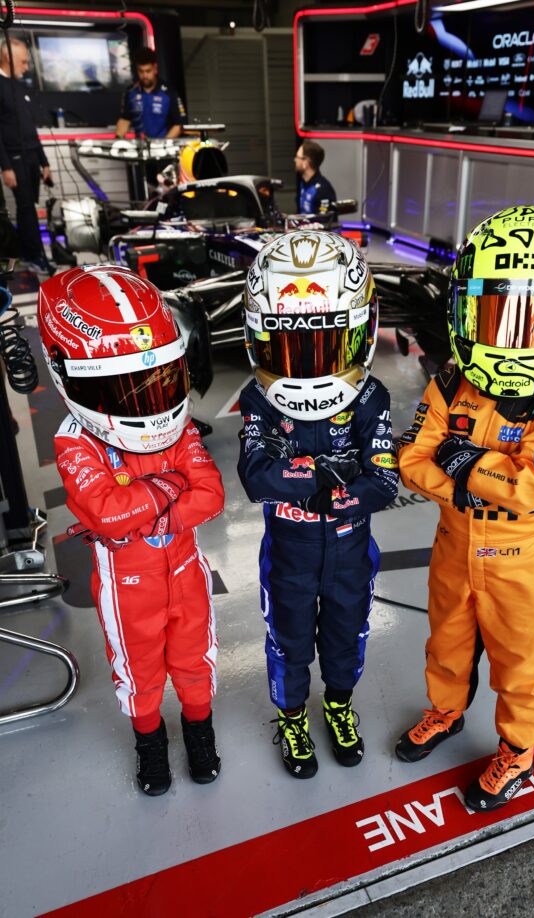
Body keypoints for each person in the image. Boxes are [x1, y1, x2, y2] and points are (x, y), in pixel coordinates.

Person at [396, 205, 534, 812]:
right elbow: (411, 458)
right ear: (464, 312)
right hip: (455, 547)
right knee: (446, 644)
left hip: (522, 562)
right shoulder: (451, 384)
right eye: (496, 313)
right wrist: (472, 481)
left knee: (523, 661)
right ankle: (446, 712)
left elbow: (532, 487)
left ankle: (518, 749)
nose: (515, 336)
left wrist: (461, 462)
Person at [37, 265, 225, 797]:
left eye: (154, 380)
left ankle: (200, 734)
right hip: (127, 589)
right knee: (138, 672)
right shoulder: (76, 438)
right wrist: (171, 487)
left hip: (186, 574)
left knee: (195, 659)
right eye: (119, 386)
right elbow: (104, 513)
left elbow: (212, 494)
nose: (144, 399)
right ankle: (149, 744)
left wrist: (147, 509)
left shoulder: (179, 422)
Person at [237, 231, 398, 778]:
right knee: (288, 644)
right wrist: (336, 478)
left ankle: (337, 706)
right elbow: (255, 477)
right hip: (288, 557)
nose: (307, 361)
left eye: (327, 343)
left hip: (352, 556)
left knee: (346, 637)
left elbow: (385, 482)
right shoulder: (257, 395)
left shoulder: (372, 395)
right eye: (287, 345)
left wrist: (306, 477)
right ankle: (290, 718)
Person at [0, 38, 52, 275]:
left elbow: (31, 128)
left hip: (32, 155)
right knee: (26, 208)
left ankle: (35, 251)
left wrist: (44, 161)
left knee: (31, 205)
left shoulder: (19, 87)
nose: (27, 66)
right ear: (8, 57)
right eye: (24, 61)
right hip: (14, 158)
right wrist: (6, 166)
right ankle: (33, 256)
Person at [115, 46, 187, 141]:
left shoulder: (169, 92)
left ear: (155, 68)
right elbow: (124, 120)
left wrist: (162, 144)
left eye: (148, 71)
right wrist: (118, 141)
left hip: (164, 148)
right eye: (141, 71)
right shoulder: (131, 92)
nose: (145, 75)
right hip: (140, 148)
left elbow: (179, 124)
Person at [295, 140, 337, 215]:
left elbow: (324, 219)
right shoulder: (302, 184)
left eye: (298, 157)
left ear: (305, 162)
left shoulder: (324, 189)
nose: (295, 160)